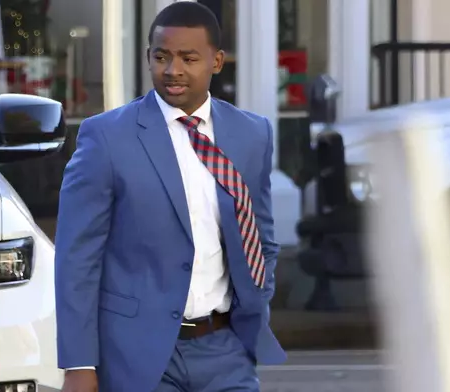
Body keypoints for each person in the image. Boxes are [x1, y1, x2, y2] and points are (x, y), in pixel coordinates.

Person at [55, 2, 286, 391]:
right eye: (161, 56)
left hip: (226, 348)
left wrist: (256, 301)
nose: (172, 70)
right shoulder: (107, 138)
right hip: (138, 355)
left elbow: (259, 235)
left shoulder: (252, 135)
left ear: (216, 61)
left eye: (188, 58)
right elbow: (77, 259)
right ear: (148, 57)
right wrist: (79, 364)